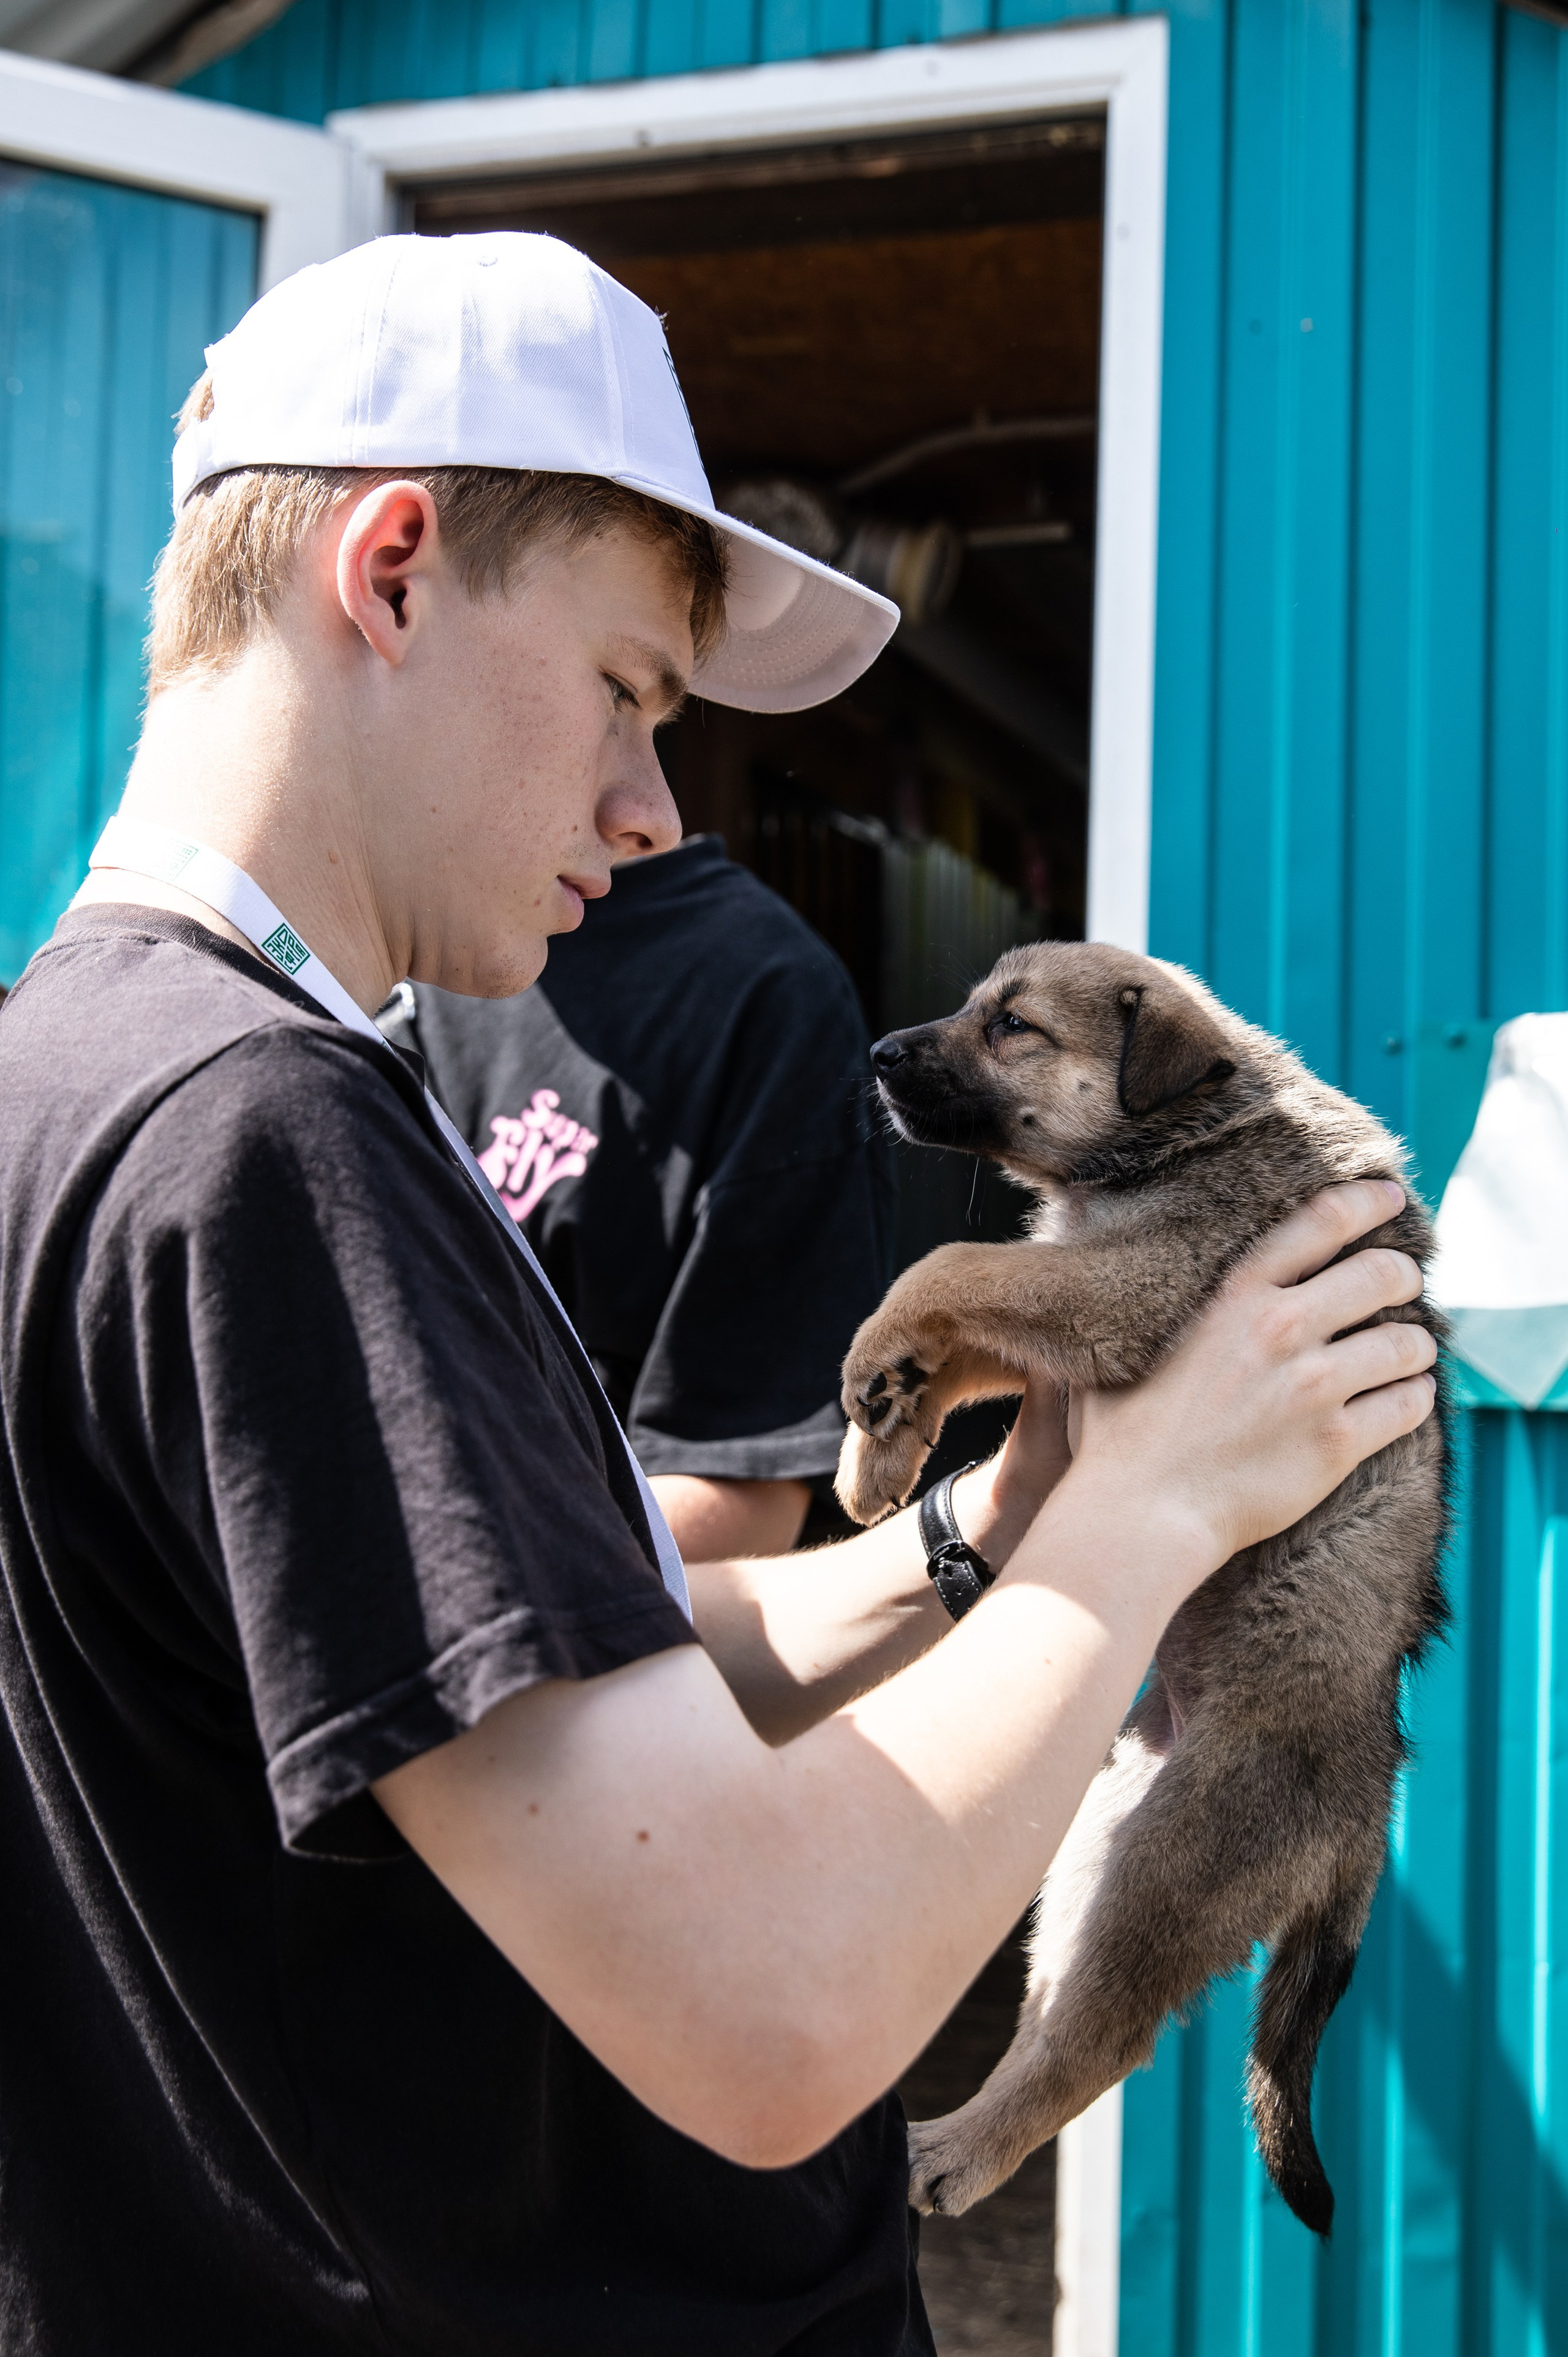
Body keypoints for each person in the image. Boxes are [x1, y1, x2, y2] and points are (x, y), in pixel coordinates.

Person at [0, 232, 1438, 2355]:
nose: (654, 807)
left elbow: (571, 1667)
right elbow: (768, 2007)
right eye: (625, 693)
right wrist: (1161, 1511)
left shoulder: (78, 1060)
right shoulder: (266, 1140)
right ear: (389, 571)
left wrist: (981, 1532)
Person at [381, 830, 890, 1563]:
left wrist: (423, 1597)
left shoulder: (763, 988)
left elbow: (741, 1492)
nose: (654, 806)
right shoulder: (380, 938)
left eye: (639, 711)